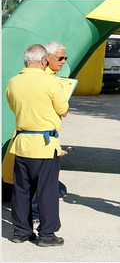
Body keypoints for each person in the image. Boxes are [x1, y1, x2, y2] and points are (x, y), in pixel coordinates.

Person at [6, 44, 69, 247]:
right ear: (44, 61)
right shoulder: (50, 83)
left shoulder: (13, 82)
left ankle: (21, 231)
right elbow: (63, 109)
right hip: (44, 144)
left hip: (22, 143)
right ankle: (47, 235)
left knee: (21, 190)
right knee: (47, 191)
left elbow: (13, 106)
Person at [29, 41, 69, 230]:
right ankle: (41, 221)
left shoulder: (50, 77)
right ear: (47, 58)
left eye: (65, 58)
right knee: (44, 181)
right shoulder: (47, 79)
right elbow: (62, 109)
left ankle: (26, 224)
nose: (63, 62)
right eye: (60, 58)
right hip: (41, 137)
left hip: (43, 136)